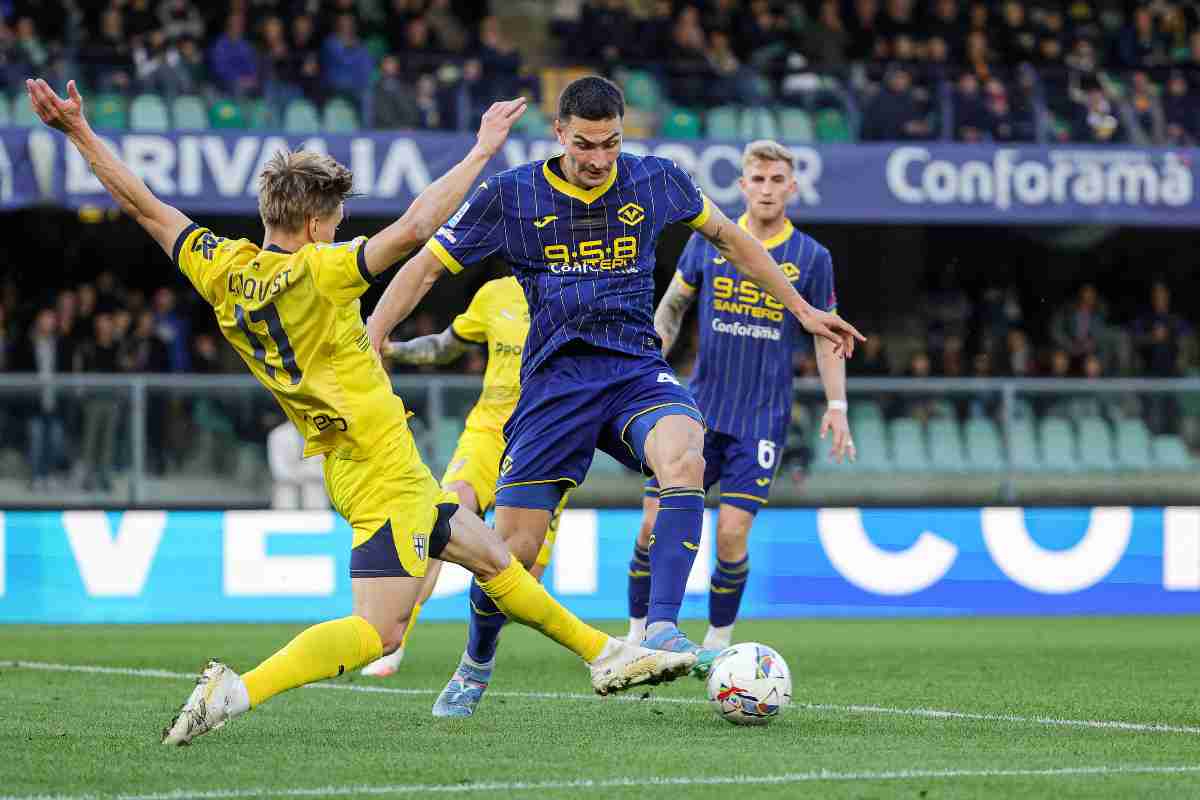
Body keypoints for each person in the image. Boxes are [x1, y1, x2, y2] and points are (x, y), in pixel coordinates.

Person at [24, 76, 695, 747]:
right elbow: (417, 227)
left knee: (491, 557)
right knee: (381, 630)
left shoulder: (222, 268)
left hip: (353, 460)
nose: (340, 230)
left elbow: (145, 206)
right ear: (315, 226)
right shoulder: (320, 272)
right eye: (337, 223)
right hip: (380, 466)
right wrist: (481, 150)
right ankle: (238, 691)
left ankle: (605, 656)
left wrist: (79, 132)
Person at [365, 76, 863, 717]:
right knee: (510, 554)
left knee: (686, 456)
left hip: (633, 371)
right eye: (584, 145)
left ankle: (659, 628)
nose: (599, 159)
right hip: (553, 387)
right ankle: (476, 660)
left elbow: (733, 241)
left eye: (611, 143)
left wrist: (801, 309)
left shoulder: (657, 180)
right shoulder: (511, 195)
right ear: (559, 134)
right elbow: (427, 264)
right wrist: (376, 332)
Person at [626, 140, 855, 651]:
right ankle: (637, 633)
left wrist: (837, 406)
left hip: (762, 417)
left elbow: (826, 335)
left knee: (730, 536)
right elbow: (673, 308)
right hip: (696, 411)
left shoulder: (812, 258)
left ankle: (718, 640)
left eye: (777, 180)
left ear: (792, 188)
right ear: (742, 184)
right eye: (759, 179)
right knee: (650, 526)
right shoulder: (710, 241)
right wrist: (645, 362)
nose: (768, 189)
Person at [359, 275, 566, 677]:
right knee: (441, 514)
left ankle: (478, 655)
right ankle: (393, 641)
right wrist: (394, 350)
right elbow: (445, 346)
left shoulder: (578, 292)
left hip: (546, 440)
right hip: (487, 434)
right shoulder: (494, 293)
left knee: (524, 571)